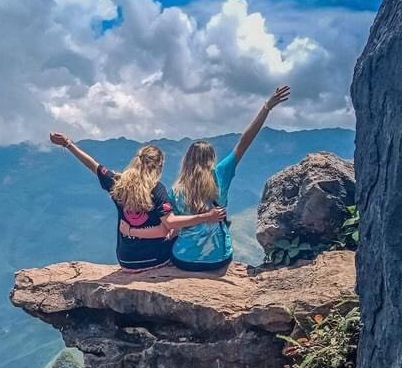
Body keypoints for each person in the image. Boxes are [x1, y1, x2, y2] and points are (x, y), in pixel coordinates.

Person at [119, 85, 291, 271]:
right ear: (211, 159)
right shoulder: (220, 175)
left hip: (184, 259)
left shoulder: (176, 191)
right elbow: (244, 142)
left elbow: (173, 225)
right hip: (219, 258)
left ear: (187, 161)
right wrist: (266, 107)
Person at [48, 133, 226, 272]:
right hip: (153, 259)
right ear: (159, 165)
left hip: (126, 260)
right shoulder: (157, 189)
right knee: (182, 237)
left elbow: (93, 165)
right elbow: (168, 224)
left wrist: (68, 144)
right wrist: (206, 216)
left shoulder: (118, 182)